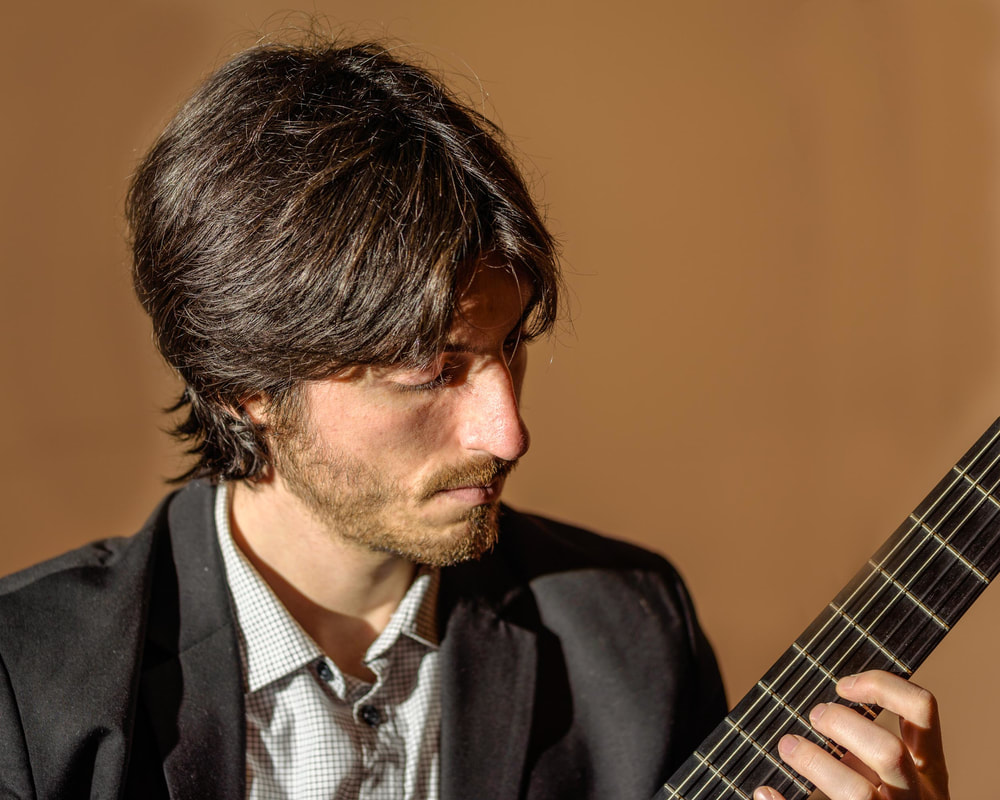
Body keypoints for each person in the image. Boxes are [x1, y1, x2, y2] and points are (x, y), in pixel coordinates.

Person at [0, 38, 949, 800]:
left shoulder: (629, 633)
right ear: (249, 382)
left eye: (509, 350)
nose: (508, 432)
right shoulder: (28, 686)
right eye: (433, 371)